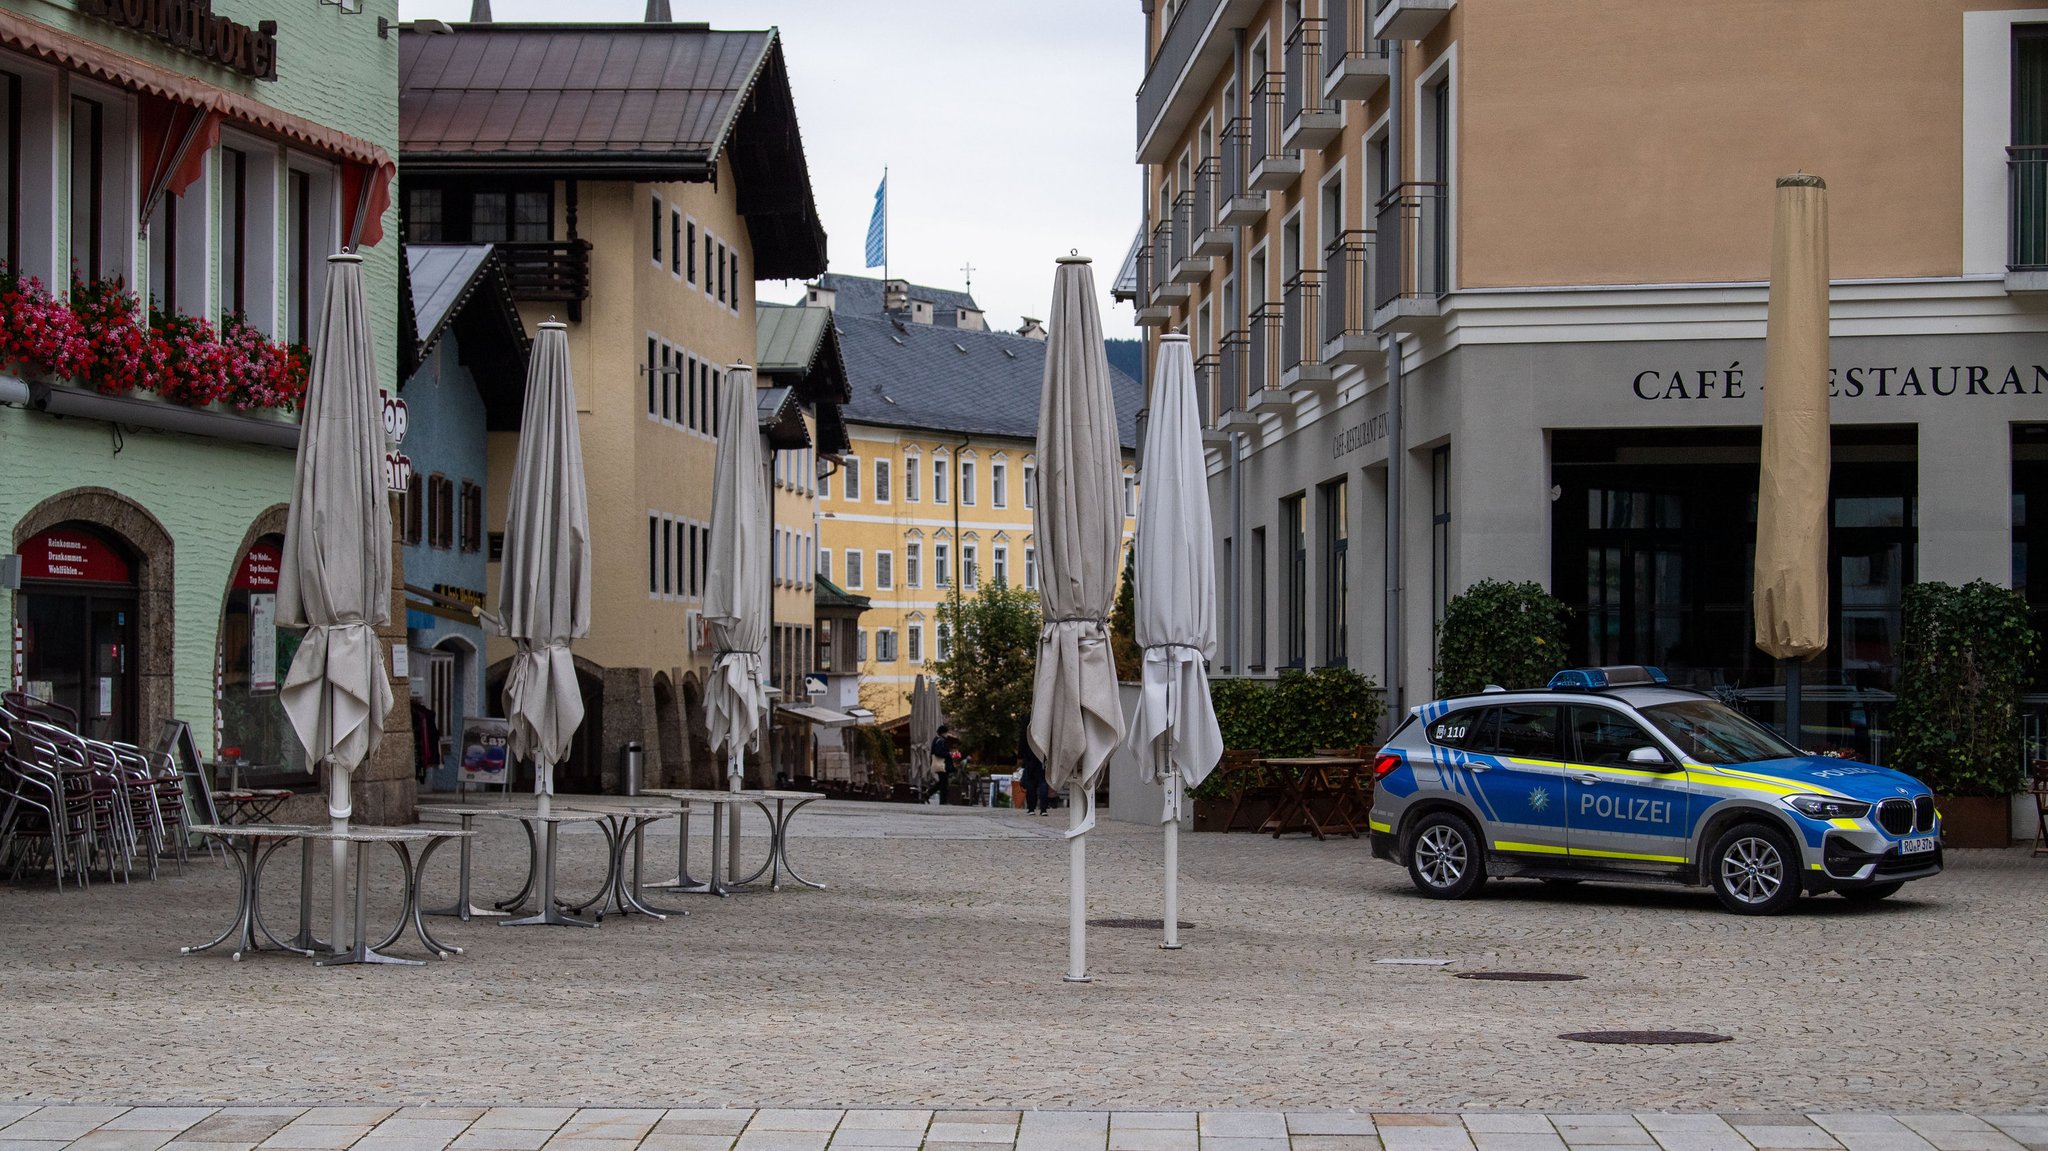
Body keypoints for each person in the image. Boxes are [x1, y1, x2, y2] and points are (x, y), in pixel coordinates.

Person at [1017, 728, 1049, 815]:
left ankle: (1031, 808)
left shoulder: (1028, 722)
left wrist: (1020, 756)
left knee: (1030, 783)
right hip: (1043, 755)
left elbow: (1023, 738)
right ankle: (1043, 809)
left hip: (1030, 756)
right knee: (1043, 782)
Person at [930, 724, 962, 805]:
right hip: (942, 764)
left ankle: (928, 794)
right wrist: (950, 754)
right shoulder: (939, 740)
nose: (947, 734)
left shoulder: (938, 740)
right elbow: (938, 752)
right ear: (943, 733)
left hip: (942, 764)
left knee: (942, 782)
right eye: (946, 733)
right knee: (944, 783)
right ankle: (943, 801)